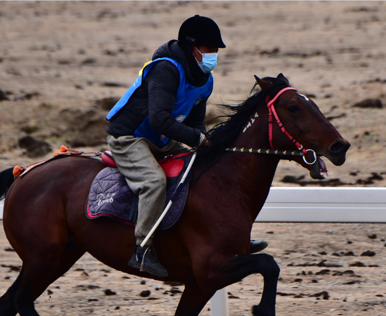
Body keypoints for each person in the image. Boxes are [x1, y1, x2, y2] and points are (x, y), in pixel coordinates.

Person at [106, 15, 266, 277]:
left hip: (161, 139)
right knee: (154, 181)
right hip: (129, 137)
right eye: (210, 50)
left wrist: (203, 142)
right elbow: (159, 119)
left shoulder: (205, 79)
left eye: (216, 51)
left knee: (203, 168)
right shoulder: (165, 69)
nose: (214, 56)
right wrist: (196, 139)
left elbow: (195, 121)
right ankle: (142, 249)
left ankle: (228, 238)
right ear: (193, 48)